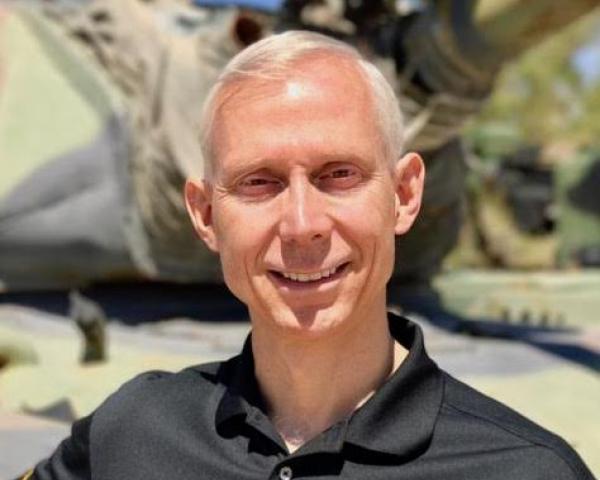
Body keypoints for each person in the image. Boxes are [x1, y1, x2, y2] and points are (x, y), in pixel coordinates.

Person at [22, 31, 595, 480]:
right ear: (205, 214)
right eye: (259, 182)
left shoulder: (524, 469)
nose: (302, 225)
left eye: (339, 174)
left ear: (403, 195)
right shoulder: (132, 435)